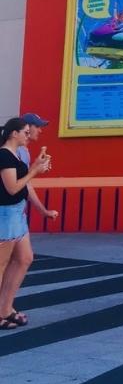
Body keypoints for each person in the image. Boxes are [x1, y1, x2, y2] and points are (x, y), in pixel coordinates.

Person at [0, 117, 53, 329]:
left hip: (16, 215)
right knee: (1, 265)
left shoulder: (16, 155)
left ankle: (5, 307)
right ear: (14, 133)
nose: (28, 134)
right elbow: (12, 188)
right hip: (5, 215)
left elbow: (25, 185)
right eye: (24, 131)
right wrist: (34, 170)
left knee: (24, 258)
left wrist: (35, 167)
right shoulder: (4, 155)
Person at [17, 112, 58, 232]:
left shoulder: (24, 151)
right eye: (38, 126)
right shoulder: (16, 150)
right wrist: (35, 169)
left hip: (17, 212)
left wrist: (43, 211)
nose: (40, 130)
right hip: (8, 213)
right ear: (27, 128)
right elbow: (15, 184)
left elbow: (24, 182)